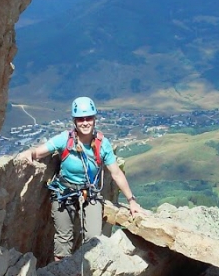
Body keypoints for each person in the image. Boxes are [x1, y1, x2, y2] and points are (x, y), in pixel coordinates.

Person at [18, 96, 143, 260]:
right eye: (80, 119)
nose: (85, 122)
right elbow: (40, 151)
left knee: (93, 240)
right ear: (75, 121)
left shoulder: (102, 144)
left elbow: (116, 173)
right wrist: (30, 153)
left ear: (94, 119)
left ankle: (86, 273)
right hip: (64, 193)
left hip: (89, 194)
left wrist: (132, 201)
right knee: (63, 240)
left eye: (89, 118)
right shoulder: (65, 139)